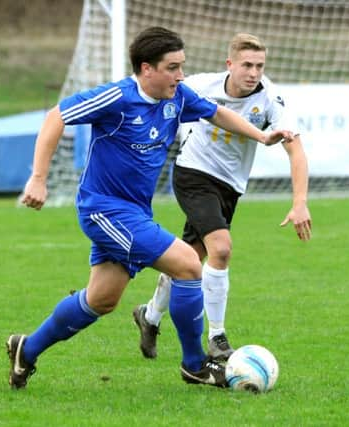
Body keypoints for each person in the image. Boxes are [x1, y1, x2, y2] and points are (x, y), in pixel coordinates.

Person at [6, 26, 297, 389]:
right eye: (173, 67)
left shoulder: (177, 97)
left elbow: (217, 114)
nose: (181, 75)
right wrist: (38, 178)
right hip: (104, 210)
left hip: (135, 214)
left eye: (182, 66)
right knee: (189, 264)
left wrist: (261, 135)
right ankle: (195, 365)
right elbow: (55, 117)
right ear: (147, 69)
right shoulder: (117, 98)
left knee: (101, 299)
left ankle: (26, 350)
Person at [132, 33, 312, 361]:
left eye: (259, 66)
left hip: (230, 186)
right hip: (193, 173)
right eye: (247, 65)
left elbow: (295, 150)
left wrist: (299, 202)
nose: (254, 72)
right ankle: (217, 338)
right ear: (230, 64)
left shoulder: (271, 100)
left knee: (188, 256)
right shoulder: (202, 86)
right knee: (221, 249)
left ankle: (150, 316)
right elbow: (154, 92)